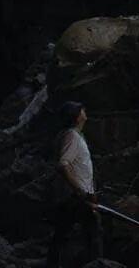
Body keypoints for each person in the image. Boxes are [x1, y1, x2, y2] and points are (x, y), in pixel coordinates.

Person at [47, 101, 102, 267]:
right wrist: (80, 191)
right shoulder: (72, 136)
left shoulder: (71, 135)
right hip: (75, 197)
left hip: (77, 195)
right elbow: (63, 164)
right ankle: (97, 264)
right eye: (81, 110)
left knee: (63, 234)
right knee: (94, 233)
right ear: (77, 117)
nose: (84, 111)